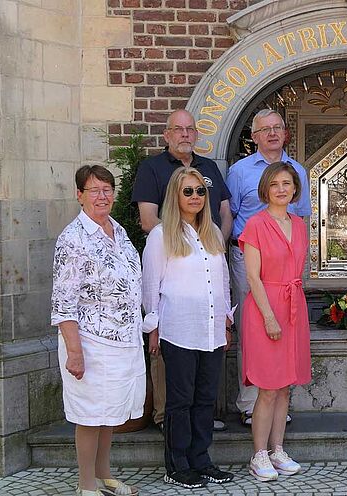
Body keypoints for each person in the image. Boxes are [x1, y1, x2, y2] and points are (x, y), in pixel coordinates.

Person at [132, 109, 233, 433]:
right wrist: (186, 240)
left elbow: (225, 213)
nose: (185, 134)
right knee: (176, 391)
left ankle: (199, 453)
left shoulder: (209, 169)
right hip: (176, 314)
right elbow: (148, 220)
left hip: (208, 312)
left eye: (191, 129)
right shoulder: (153, 169)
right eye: (178, 129)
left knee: (203, 393)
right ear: (167, 134)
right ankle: (167, 427)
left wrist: (208, 243)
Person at [51, 165, 144, 496]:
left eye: (107, 189)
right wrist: (74, 352)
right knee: (90, 416)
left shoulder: (116, 230)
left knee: (110, 414)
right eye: (94, 190)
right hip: (90, 342)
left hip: (122, 341)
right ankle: (85, 484)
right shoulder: (72, 239)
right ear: (79, 195)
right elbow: (63, 304)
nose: (103, 196)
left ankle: (104, 475)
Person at [141, 167, 235, 489]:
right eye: (188, 191)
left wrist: (225, 320)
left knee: (206, 398)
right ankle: (176, 464)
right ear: (175, 196)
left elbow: (222, 280)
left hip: (210, 330)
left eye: (199, 191)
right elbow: (151, 284)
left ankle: (201, 459)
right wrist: (152, 327)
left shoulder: (211, 232)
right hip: (178, 329)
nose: (195, 197)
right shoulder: (161, 234)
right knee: (179, 400)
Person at [226, 109, 311, 427]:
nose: (272, 133)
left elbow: (300, 218)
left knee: (282, 333)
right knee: (253, 328)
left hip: (284, 268)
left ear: (285, 133)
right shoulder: (239, 171)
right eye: (265, 129)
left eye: (278, 128)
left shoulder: (297, 171)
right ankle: (252, 401)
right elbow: (228, 215)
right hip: (247, 256)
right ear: (254, 136)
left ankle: (277, 396)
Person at [239, 162, 311, 482]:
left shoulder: (299, 224)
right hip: (265, 307)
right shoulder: (255, 224)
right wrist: (269, 316)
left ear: (295, 188)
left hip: (294, 306)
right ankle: (258, 454)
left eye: (287, 183)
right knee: (267, 387)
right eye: (275, 184)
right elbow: (252, 276)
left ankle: (277, 448)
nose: (281, 189)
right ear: (266, 189)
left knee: (285, 387)